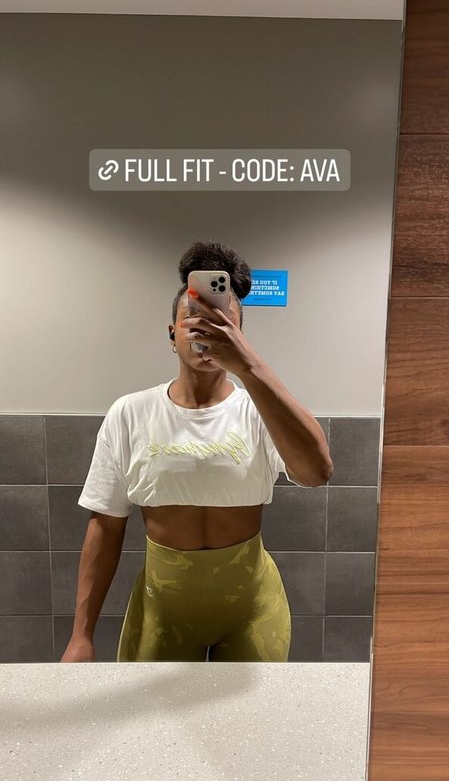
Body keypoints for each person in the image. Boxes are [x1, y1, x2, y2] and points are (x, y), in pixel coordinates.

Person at [61, 241, 333, 663]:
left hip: (252, 608)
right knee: (152, 709)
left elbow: (317, 472)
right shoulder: (130, 413)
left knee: (253, 710)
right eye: (193, 318)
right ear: (172, 334)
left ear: (240, 338)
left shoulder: (260, 411)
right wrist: (81, 635)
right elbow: (106, 525)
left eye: (222, 322)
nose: (206, 329)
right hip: (162, 609)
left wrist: (250, 367)